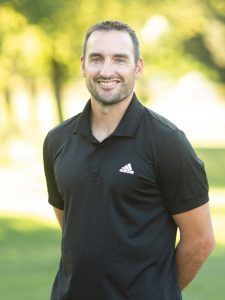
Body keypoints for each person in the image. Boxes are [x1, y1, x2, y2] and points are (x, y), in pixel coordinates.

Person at [43, 20, 215, 300]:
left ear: (138, 67)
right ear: (83, 65)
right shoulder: (57, 140)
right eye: (96, 58)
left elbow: (201, 240)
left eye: (119, 59)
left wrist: (158, 291)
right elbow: (72, 223)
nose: (106, 70)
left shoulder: (167, 142)